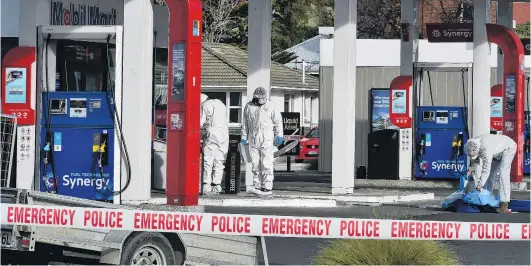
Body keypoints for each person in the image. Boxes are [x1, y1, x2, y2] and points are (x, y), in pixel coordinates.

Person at [241, 87, 284, 195]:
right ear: (256, 98)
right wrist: (244, 137)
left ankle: (267, 186)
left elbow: (278, 121)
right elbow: (245, 123)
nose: (262, 101)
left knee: (266, 163)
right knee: (255, 164)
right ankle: (257, 185)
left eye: (264, 99)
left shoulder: (271, 106)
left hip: (267, 138)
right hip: (253, 138)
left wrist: (279, 135)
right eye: (260, 99)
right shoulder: (249, 107)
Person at [463, 134, 517, 213]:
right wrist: (471, 175)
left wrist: (479, 185)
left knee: (503, 173)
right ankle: (487, 199)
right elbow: (475, 166)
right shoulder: (472, 145)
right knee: (490, 176)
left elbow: (485, 169)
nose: (472, 156)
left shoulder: (485, 149)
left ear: (477, 150)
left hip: (508, 147)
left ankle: (504, 204)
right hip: (496, 151)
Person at [200, 93, 229, 195]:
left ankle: (206, 185)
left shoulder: (205, 105)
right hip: (224, 136)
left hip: (212, 135)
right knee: (219, 161)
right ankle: (216, 185)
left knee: (208, 160)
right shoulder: (221, 103)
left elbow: (200, 121)